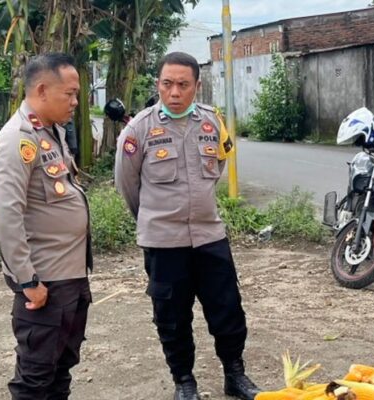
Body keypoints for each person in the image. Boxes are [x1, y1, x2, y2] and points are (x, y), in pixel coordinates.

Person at [113, 51, 259, 400]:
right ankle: (184, 382)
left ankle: (234, 375)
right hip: (164, 242)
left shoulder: (212, 122)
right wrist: (152, 217)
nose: (174, 92)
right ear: (158, 85)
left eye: (182, 84)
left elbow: (219, 165)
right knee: (172, 317)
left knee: (228, 309)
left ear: (197, 86)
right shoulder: (139, 129)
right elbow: (127, 186)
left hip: (210, 236)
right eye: (167, 84)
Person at [0, 52, 92, 400]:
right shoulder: (17, 139)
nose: (75, 102)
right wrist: (27, 281)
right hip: (44, 283)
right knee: (34, 379)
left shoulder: (51, 133)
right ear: (42, 89)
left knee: (60, 370)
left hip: (69, 277)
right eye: (70, 94)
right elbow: (6, 218)